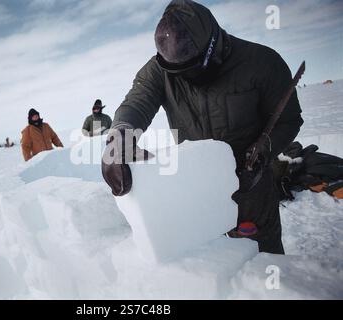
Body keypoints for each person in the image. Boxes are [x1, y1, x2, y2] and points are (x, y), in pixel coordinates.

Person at [101, 0, 304, 254]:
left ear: (212, 47)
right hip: (199, 195)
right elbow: (137, 103)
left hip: (252, 190)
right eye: (177, 71)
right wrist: (120, 135)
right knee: (211, 268)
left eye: (191, 68)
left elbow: (289, 119)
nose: (185, 77)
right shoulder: (159, 72)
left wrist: (267, 147)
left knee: (263, 266)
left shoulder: (262, 62)